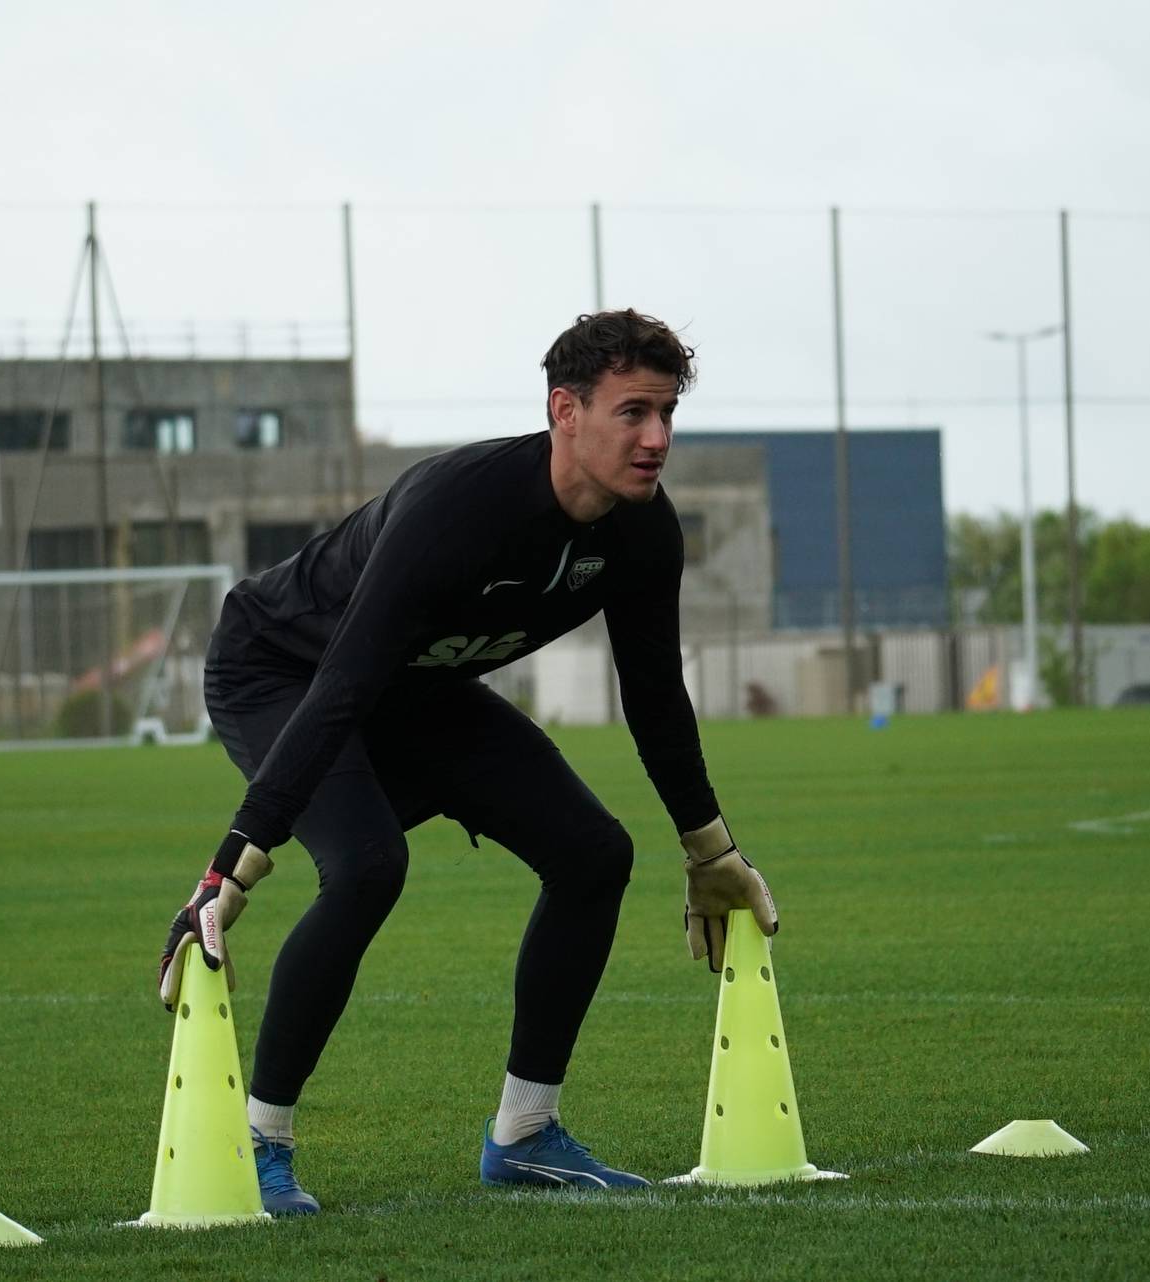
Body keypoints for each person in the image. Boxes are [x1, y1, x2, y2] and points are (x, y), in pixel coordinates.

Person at [158, 309, 780, 1215]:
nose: (657, 439)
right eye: (633, 413)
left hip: (417, 687)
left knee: (593, 853)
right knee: (368, 865)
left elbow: (654, 697)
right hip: (282, 671)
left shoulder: (644, 530)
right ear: (565, 411)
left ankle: (525, 1135)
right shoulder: (457, 508)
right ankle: (258, 1142)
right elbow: (343, 685)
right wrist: (235, 863)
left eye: (666, 414)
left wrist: (709, 849)